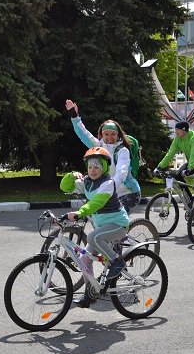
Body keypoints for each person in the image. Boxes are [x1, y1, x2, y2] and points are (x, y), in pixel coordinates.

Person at [60, 147, 129, 307]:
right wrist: (71, 176)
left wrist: (79, 212)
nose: (93, 170)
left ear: (105, 167)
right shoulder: (87, 183)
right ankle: (90, 293)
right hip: (102, 227)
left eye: (97, 166)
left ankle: (117, 261)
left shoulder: (108, 183)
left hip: (118, 224)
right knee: (84, 259)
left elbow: (96, 203)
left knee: (92, 237)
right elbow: (65, 187)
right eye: (90, 166)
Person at [65, 99, 141, 213]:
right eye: (106, 134)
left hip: (128, 192)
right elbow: (84, 134)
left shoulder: (122, 150)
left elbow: (122, 172)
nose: (109, 137)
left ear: (118, 135)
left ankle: (122, 231)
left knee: (115, 220)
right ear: (102, 134)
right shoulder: (99, 146)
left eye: (113, 134)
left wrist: (110, 187)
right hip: (109, 191)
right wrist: (74, 117)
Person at [156, 121, 194, 202]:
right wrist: (160, 166)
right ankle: (189, 198)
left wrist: (189, 169)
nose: (176, 132)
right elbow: (170, 153)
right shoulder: (178, 139)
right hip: (191, 163)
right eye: (175, 129)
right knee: (178, 175)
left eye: (178, 130)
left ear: (184, 130)